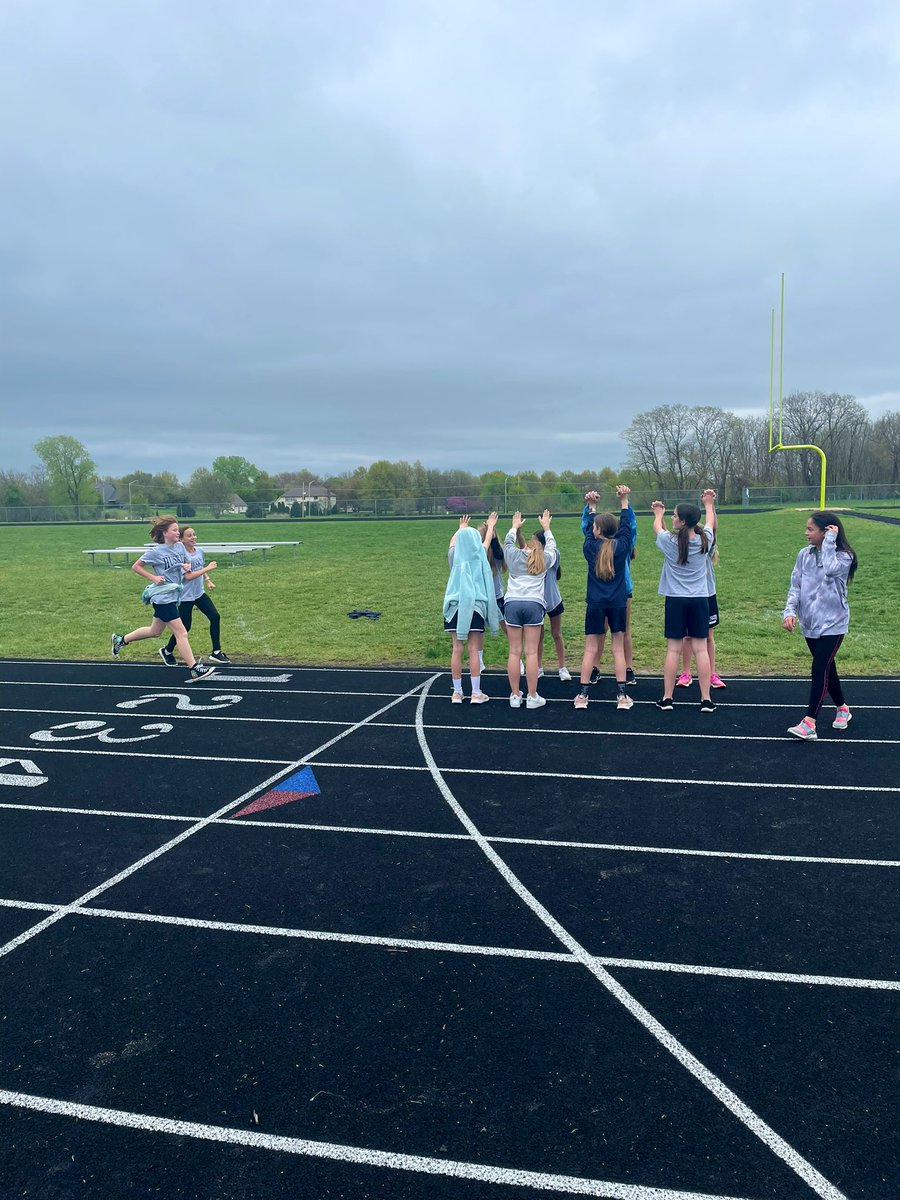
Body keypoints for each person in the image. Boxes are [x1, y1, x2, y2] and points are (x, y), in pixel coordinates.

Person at [111, 515, 216, 682]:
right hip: (162, 598)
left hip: (174, 596)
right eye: (174, 530)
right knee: (181, 632)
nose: (177, 532)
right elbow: (136, 566)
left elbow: (184, 565)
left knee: (155, 631)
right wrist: (153, 578)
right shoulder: (155, 552)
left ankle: (121, 640)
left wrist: (185, 566)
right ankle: (195, 669)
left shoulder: (180, 548)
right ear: (164, 533)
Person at [782, 511, 857, 740]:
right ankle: (843, 708)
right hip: (811, 622)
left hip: (834, 623)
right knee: (827, 668)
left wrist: (831, 543)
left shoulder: (844, 556)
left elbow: (830, 568)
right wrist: (789, 611)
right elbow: (796, 585)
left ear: (827, 532)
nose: (806, 533)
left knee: (819, 668)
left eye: (811, 529)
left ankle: (809, 722)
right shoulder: (804, 555)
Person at [574, 486, 636, 711]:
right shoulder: (622, 546)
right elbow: (627, 527)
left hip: (595, 604)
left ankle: (582, 696)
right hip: (618, 603)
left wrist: (592, 508)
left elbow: (590, 533)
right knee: (617, 648)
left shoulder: (590, 547)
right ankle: (621, 696)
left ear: (598, 530)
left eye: (594, 526)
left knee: (590, 649)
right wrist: (624, 502)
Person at [652, 500, 716, 712]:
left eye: (674, 514)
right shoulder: (705, 539)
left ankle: (667, 698)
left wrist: (658, 513)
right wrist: (709, 503)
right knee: (701, 648)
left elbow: (657, 528)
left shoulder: (670, 541)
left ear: (683, 521)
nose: (672, 517)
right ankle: (706, 699)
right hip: (699, 599)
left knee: (673, 649)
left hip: (675, 600)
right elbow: (709, 522)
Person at [503, 510, 557, 709]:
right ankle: (532, 696)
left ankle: (515, 695)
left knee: (514, 652)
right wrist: (547, 528)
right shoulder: (544, 560)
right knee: (531, 652)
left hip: (512, 604)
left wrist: (515, 527)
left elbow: (507, 543)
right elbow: (552, 546)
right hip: (534, 605)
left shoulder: (514, 555)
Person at [444, 519, 500, 704]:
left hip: (455, 604)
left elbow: (453, 542)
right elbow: (486, 540)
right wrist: (490, 526)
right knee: (473, 649)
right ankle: (476, 693)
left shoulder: (454, 555)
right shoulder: (480, 555)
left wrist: (461, 528)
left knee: (456, 649)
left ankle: (457, 692)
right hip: (475, 604)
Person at [675, 489, 725, 689]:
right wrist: (708, 504)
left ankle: (712, 673)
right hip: (691, 595)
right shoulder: (685, 543)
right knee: (687, 636)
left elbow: (714, 527)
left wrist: (710, 505)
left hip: (707, 594)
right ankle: (686, 673)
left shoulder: (706, 542)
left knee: (708, 636)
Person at [159, 526, 230, 666]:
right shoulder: (181, 556)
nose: (193, 537)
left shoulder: (200, 551)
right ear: (181, 540)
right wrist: (207, 568)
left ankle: (216, 652)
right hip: (185, 596)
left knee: (215, 617)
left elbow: (199, 568)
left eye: (194, 535)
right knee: (185, 627)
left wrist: (208, 579)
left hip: (199, 594)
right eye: (189, 535)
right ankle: (167, 651)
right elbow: (189, 576)